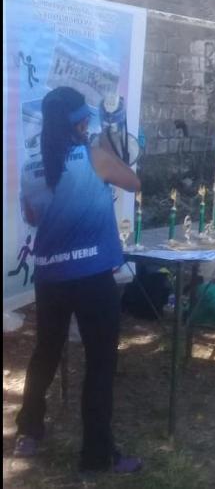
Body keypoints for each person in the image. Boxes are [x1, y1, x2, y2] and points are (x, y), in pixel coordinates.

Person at [14, 87, 142, 473]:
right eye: (84, 117)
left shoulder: (31, 166)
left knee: (45, 355)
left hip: (51, 278)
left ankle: (29, 432)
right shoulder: (93, 156)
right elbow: (133, 182)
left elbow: (34, 218)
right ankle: (96, 455)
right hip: (92, 279)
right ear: (78, 122)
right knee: (100, 363)